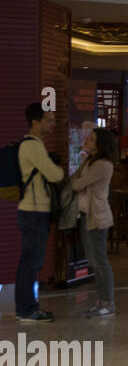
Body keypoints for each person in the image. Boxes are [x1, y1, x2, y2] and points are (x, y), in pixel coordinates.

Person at [15, 103, 65, 322]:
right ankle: (27, 309)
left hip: (33, 210)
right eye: (49, 120)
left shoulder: (34, 145)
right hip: (34, 212)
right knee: (30, 262)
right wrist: (60, 169)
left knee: (31, 261)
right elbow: (54, 175)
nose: (53, 124)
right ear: (36, 122)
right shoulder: (33, 147)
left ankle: (27, 307)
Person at [68, 127, 118, 317]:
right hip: (86, 216)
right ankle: (102, 301)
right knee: (94, 261)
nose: (87, 140)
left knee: (100, 262)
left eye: (91, 139)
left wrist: (76, 179)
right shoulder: (90, 161)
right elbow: (76, 179)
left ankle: (108, 302)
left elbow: (77, 183)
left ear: (100, 144)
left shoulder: (102, 165)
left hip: (97, 218)